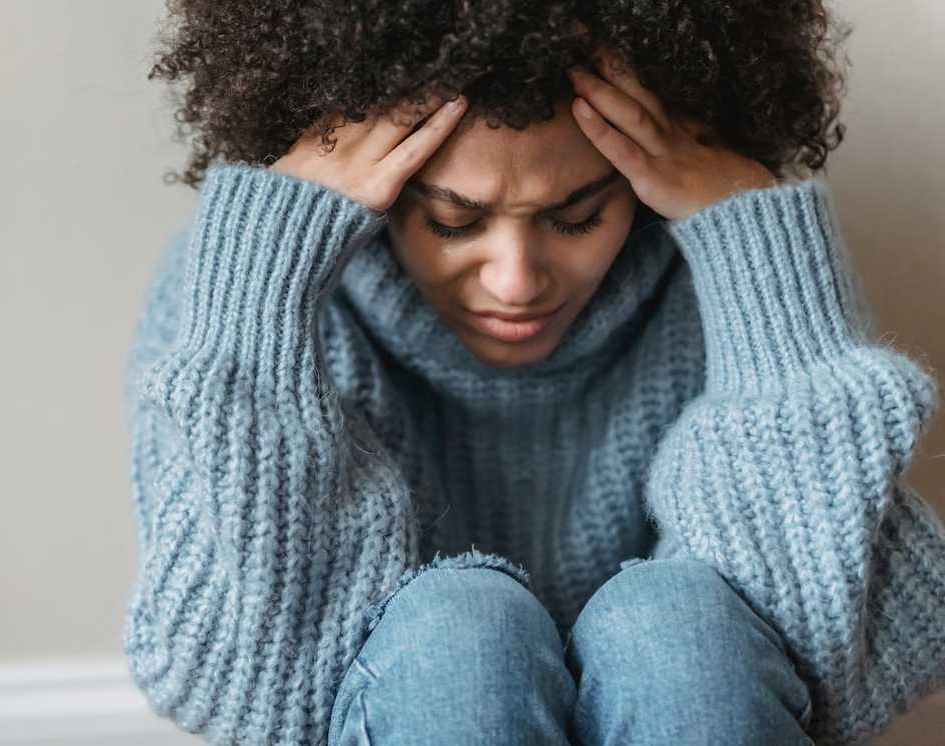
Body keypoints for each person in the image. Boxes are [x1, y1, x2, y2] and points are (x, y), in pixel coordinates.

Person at [122, 3, 945, 745]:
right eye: (453, 221)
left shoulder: (744, 267)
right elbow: (252, 695)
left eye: (577, 216)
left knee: (679, 627)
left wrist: (751, 238)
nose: (515, 281)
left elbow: (836, 674)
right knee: (459, 633)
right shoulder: (259, 294)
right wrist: (262, 288)